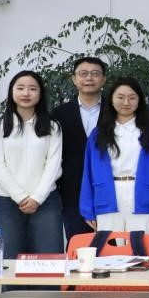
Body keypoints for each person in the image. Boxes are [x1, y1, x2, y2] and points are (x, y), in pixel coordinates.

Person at [80, 78, 149, 235]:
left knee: (140, 247)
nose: (126, 102)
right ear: (111, 100)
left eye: (132, 97)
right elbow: (88, 173)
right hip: (107, 195)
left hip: (142, 195)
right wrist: (87, 208)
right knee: (109, 247)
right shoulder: (98, 134)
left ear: (140, 100)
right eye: (120, 97)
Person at [0, 71, 64, 257]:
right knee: (8, 260)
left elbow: (53, 166)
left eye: (32, 89)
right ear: (12, 92)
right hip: (6, 202)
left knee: (48, 261)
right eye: (20, 88)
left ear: (40, 94)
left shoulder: (52, 127)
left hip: (45, 201)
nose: (26, 93)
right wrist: (21, 197)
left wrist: (37, 198)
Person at [52, 56, 106, 239]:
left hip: (109, 189)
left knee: (113, 245)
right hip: (72, 190)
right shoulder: (59, 113)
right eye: (83, 74)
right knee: (78, 243)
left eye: (95, 74)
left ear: (103, 79)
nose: (89, 78)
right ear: (74, 79)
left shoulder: (115, 111)